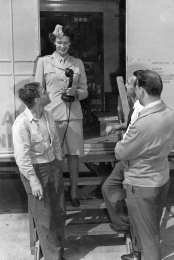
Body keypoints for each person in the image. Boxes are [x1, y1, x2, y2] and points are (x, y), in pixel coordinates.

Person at [115, 70, 174, 260]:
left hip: (142, 185)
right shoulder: (168, 113)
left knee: (149, 238)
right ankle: (139, 253)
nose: (134, 89)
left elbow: (120, 152)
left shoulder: (143, 122)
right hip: (160, 178)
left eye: (135, 87)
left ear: (141, 90)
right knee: (151, 229)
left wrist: (120, 143)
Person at [35, 24, 88, 207]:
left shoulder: (77, 63)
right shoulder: (44, 62)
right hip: (51, 115)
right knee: (53, 156)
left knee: (73, 155)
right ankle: (56, 194)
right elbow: (38, 91)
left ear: (70, 43)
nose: (62, 46)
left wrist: (77, 93)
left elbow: (85, 91)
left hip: (73, 114)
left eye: (66, 42)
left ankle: (73, 192)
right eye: (59, 42)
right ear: (54, 42)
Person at [12, 82, 66, 260]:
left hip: (53, 166)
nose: (48, 93)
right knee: (44, 218)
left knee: (59, 212)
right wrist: (34, 181)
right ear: (37, 99)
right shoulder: (21, 124)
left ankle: (57, 251)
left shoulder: (48, 115)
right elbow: (22, 158)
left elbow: (56, 140)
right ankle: (53, 257)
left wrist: (58, 159)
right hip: (35, 171)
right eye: (44, 92)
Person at [102, 75, 143, 234]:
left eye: (128, 84)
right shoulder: (135, 104)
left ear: (138, 88)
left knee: (131, 194)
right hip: (126, 157)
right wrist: (117, 127)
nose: (125, 86)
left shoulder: (143, 108)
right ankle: (123, 223)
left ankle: (131, 227)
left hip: (132, 158)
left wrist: (122, 147)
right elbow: (130, 123)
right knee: (109, 187)